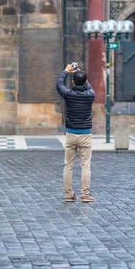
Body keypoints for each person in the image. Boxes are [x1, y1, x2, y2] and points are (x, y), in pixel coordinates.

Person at [56, 63, 95, 203]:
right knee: (85, 165)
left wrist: (66, 70)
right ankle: (85, 194)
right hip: (85, 133)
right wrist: (81, 74)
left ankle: (68, 194)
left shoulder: (68, 94)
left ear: (73, 82)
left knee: (68, 165)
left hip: (71, 133)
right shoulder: (90, 95)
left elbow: (59, 84)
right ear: (85, 81)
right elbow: (88, 86)